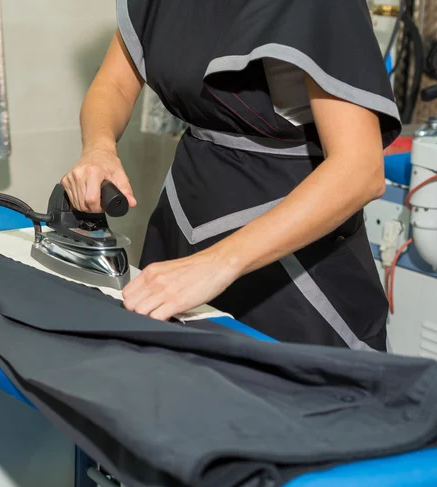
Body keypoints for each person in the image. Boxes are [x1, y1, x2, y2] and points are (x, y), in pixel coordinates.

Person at [60, 0, 401, 351]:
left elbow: (359, 170)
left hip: (293, 253)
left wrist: (216, 265)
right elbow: (115, 85)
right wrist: (99, 147)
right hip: (185, 215)